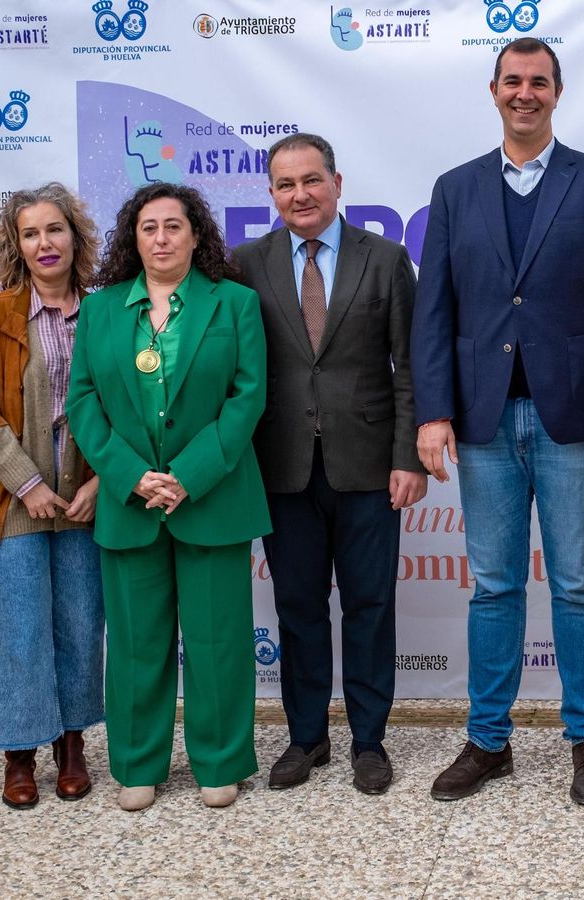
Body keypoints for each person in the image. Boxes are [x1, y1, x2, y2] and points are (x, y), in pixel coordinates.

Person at [412, 37, 584, 806]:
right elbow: (436, 312)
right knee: (493, 586)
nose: (525, 93)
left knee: (580, 586)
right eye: (512, 81)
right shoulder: (455, 189)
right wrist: (433, 413)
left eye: (538, 82)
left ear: (558, 91)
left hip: (575, 420)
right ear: (493, 92)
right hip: (483, 422)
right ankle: (489, 743)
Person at [232, 133, 425, 796]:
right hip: (281, 466)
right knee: (298, 606)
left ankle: (369, 741)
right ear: (271, 194)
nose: (300, 195)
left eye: (311, 180)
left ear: (337, 184)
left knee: (370, 604)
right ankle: (307, 737)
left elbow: (410, 368)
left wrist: (409, 457)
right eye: (286, 185)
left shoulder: (387, 259)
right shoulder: (246, 264)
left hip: (370, 467)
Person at [66, 182, 269, 811]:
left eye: (173, 226)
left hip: (211, 498)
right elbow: (83, 403)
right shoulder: (99, 311)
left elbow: (248, 397)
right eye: (148, 227)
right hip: (131, 505)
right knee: (135, 643)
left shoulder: (234, 304)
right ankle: (137, 765)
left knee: (218, 641)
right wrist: (128, 475)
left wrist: (190, 473)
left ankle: (220, 760)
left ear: (196, 235)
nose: (161, 238)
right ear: (133, 238)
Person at [0, 183, 105, 809]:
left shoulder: (104, 311)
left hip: (85, 504)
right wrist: (28, 483)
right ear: (16, 244)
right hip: (10, 501)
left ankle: (71, 745)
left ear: (75, 237)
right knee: (18, 629)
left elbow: (127, 409)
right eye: (31, 233)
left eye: (55, 230)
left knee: (80, 625)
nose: (45, 243)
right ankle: (20, 753)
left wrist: (100, 482)